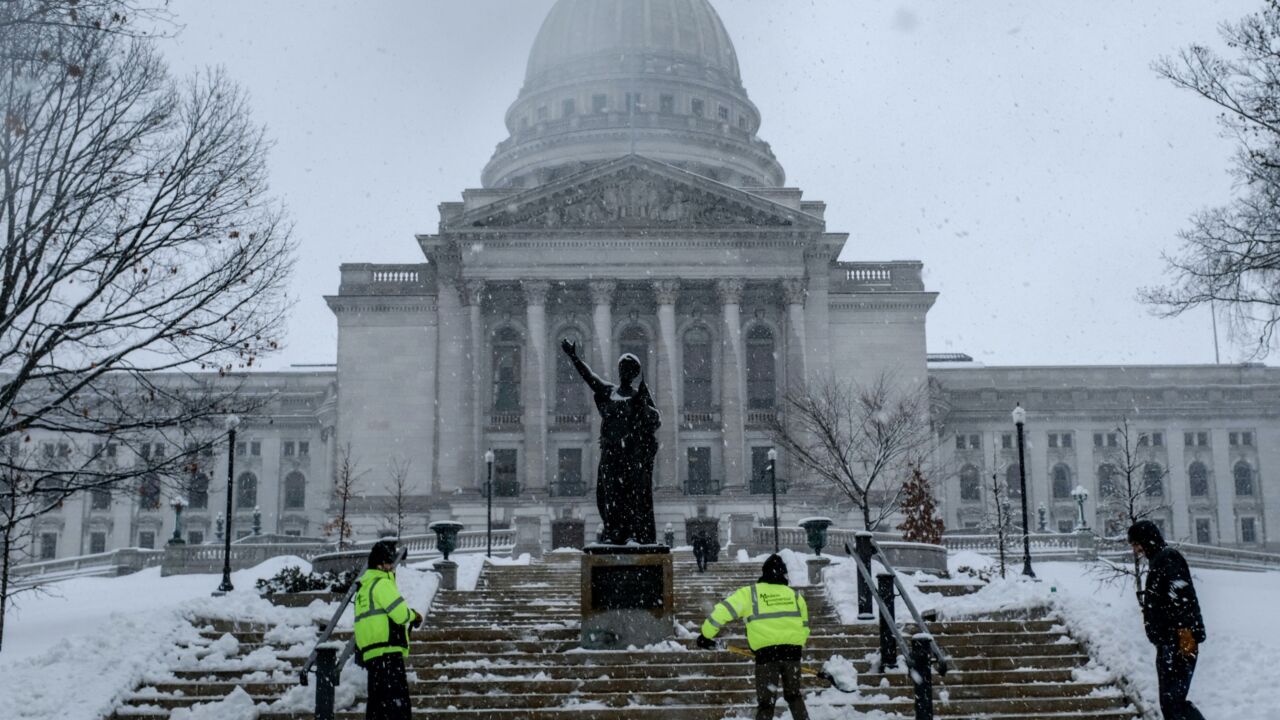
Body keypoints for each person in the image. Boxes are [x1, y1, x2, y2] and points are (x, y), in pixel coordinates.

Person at [561, 339, 661, 545]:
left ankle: (632, 533)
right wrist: (573, 357)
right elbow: (590, 378)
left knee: (631, 494)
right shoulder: (609, 391)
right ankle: (613, 532)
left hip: (631, 454)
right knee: (608, 494)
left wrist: (644, 407)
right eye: (622, 368)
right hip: (611, 452)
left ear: (634, 374)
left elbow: (655, 420)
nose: (624, 372)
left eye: (628, 369)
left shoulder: (639, 396)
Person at [696, 554, 810, 720]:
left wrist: (706, 634)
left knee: (766, 704)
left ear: (764, 573)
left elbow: (723, 611)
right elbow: (805, 627)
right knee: (794, 696)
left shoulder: (751, 593)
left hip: (767, 657)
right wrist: (791, 647)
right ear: (784, 574)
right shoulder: (796, 596)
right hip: (792, 655)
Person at [1128, 521, 1207, 720]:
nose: (1135, 550)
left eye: (1136, 544)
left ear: (1146, 540)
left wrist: (1184, 635)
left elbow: (1182, 597)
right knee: (1171, 702)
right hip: (1171, 641)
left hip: (1179, 640)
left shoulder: (1168, 558)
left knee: (1173, 702)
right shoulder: (1159, 560)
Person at [353, 540, 422, 720]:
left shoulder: (363, 588)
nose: (392, 567)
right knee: (397, 706)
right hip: (388, 652)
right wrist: (414, 616)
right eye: (389, 563)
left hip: (372, 655)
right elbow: (400, 614)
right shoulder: (381, 583)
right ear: (380, 565)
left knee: (377, 706)